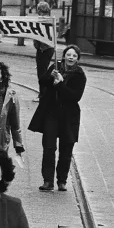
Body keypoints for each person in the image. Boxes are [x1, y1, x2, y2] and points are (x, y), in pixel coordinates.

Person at [28, 44, 85, 191]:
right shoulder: (56, 67)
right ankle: (48, 180)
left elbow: (75, 97)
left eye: (74, 56)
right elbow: (42, 82)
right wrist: (50, 77)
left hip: (68, 116)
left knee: (66, 150)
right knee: (49, 147)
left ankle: (62, 180)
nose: (71, 58)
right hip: (51, 113)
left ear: (77, 59)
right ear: (64, 56)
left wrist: (59, 84)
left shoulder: (80, 75)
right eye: (68, 55)